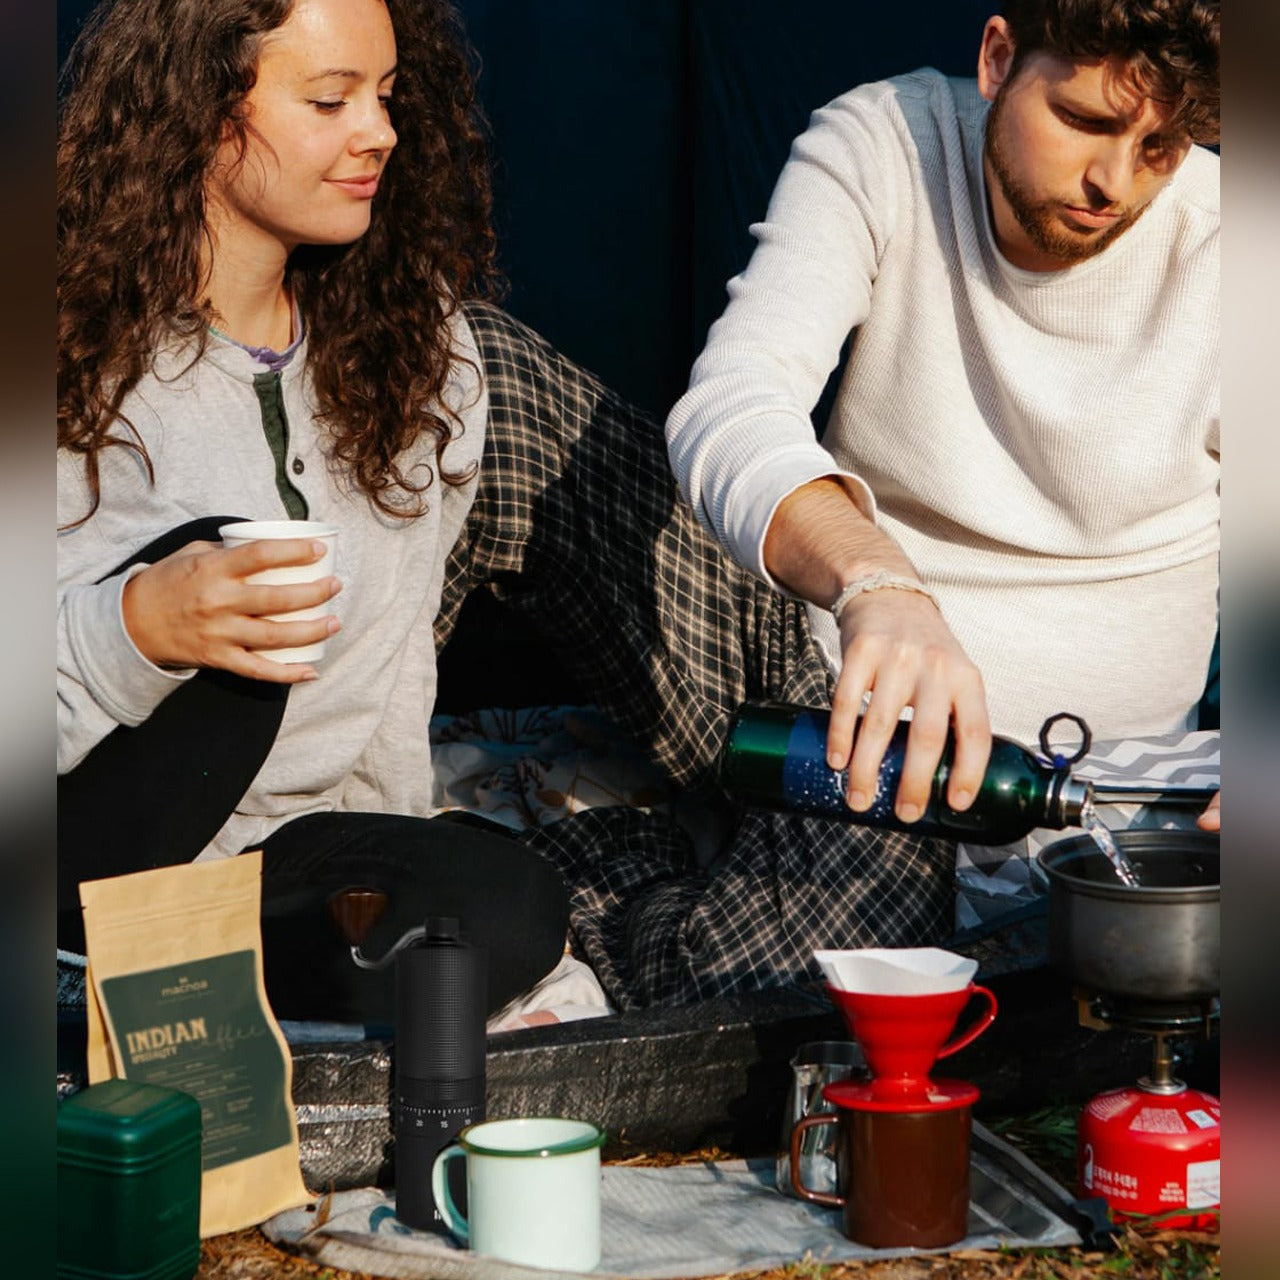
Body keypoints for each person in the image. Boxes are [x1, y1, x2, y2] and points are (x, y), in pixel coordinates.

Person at [56, 0, 572, 1022]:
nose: (378, 131)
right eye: (331, 99)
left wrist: (392, 849)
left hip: (262, 879)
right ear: (200, 109)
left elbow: (395, 673)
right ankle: (82, 960)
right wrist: (134, 627)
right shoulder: (62, 346)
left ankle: (166, 976)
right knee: (216, 570)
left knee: (504, 905)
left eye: (385, 97)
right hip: (73, 839)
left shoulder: (420, 353)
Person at [666, 0, 1221, 832]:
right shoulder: (888, 141)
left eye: (1160, 148)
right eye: (1081, 119)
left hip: (1123, 783)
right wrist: (879, 585)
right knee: (503, 378)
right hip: (858, 729)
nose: (1113, 182)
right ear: (998, 60)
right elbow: (735, 400)